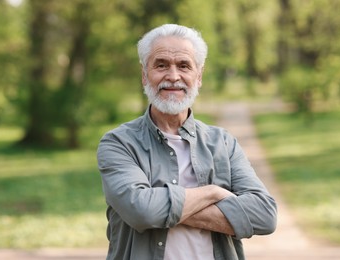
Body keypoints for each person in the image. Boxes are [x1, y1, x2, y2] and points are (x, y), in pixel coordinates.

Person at [97, 24, 277, 260]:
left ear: (198, 76)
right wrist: (213, 193)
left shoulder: (222, 143)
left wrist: (160, 205)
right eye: (161, 65)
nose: (173, 76)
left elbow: (264, 215)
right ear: (144, 74)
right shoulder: (119, 143)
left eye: (184, 66)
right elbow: (141, 211)